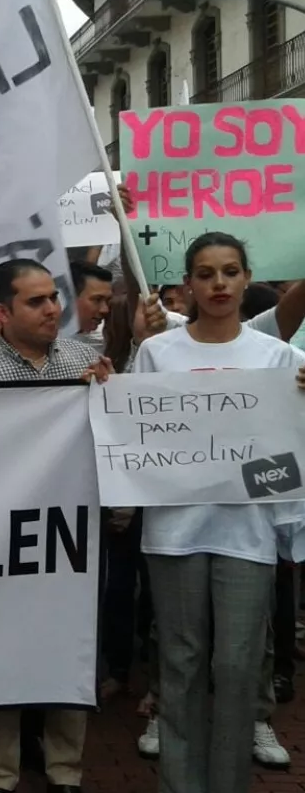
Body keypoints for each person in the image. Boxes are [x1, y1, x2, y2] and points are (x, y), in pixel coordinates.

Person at [134, 232, 301, 793]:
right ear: (188, 284)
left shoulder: (277, 356)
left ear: (247, 278)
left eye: (230, 271)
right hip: (174, 530)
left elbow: (290, 440)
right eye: (205, 274)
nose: (219, 284)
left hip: (247, 532)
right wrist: (103, 385)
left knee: (237, 666)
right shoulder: (158, 351)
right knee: (180, 664)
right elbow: (130, 428)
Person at [0, 259, 112, 793]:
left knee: (69, 643)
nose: (52, 309)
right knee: (0, 648)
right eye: (36, 301)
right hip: (2, 535)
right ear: (2, 312)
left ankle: (64, 768)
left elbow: (112, 441)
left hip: (71, 536)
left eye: (54, 297)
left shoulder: (86, 361)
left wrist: (105, 395)